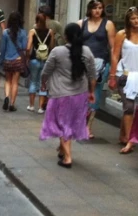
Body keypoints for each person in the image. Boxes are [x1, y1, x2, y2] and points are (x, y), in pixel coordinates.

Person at [40, 23, 97, 168]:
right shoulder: (87, 51)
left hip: (60, 94)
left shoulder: (57, 51)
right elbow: (92, 75)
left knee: (62, 123)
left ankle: (67, 158)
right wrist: (91, 92)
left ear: (65, 36)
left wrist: (43, 84)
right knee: (70, 123)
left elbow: (46, 71)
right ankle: (62, 149)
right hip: (80, 94)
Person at [109, 7, 138, 154]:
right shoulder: (122, 34)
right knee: (129, 107)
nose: (136, 21)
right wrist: (113, 75)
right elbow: (115, 55)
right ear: (128, 20)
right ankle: (129, 139)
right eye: (133, 18)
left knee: (135, 107)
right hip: (124, 74)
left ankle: (123, 135)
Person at [81, 0, 116, 138]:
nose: (97, 10)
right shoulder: (81, 23)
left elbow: (113, 48)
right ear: (90, 9)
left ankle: (88, 127)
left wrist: (113, 70)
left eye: (100, 8)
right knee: (81, 93)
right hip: (83, 63)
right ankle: (80, 123)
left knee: (95, 94)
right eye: (95, 7)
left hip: (101, 63)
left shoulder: (108, 24)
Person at [0, 12, 27, 112]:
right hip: (17, 60)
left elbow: (2, 48)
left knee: (7, 81)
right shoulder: (23, 33)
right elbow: (24, 47)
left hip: (7, 60)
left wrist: (1, 61)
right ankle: (12, 103)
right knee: (15, 83)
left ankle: (6, 96)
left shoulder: (5, 32)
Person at [27, 12, 54, 113]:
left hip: (34, 59)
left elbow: (28, 47)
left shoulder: (32, 31)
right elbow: (51, 46)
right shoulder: (50, 32)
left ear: (36, 21)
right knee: (43, 83)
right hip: (46, 59)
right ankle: (41, 107)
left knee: (33, 81)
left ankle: (31, 105)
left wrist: (27, 57)